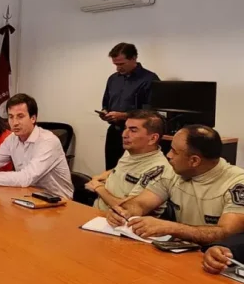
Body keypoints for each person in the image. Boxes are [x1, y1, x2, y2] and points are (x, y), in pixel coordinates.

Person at [106, 125, 244, 245]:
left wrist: (171, 228)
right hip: (181, 252)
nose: (168, 155)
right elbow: (141, 203)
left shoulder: (237, 183)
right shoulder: (172, 171)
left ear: (194, 161)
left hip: (217, 258)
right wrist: (123, 212)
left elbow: (228, 234)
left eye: (174, 151)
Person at [0, 93, 74, 199]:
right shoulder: (12, 139)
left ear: (33, 118)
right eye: (11, 117)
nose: (15, 123)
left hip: (59, 201)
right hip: (28, 196)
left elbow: (26, 178)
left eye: (20, 116)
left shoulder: (48, 142)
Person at [86, 110, 172, 213]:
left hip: (118, 219)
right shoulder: (132, 151)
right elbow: (120, 170)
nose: (124, 135)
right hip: (96, 211)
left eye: (133, 130)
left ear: (153, 138)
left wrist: (98, 187)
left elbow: (126, 209)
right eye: (125, 128)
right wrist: (103, 176)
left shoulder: (159, 169)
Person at [100, 42, 160, 170]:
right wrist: (105, 112)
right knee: (111, 170)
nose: (118, 68)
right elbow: (106, 102)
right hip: (114, 132)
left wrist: (124, 116)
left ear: (133, 58)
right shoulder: (113, 79)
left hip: (137, 134)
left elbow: (151, 111)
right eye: (116, 64)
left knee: (133, 171)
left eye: (121, 64)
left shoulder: (150, 79)